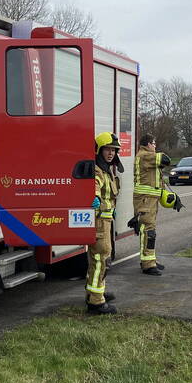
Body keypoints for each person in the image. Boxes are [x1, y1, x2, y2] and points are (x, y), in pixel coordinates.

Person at [87, 132, 122, 314]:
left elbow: (109, 194)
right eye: (108, 149)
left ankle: (95, 291)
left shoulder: (107, 169)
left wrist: (111, 208)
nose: (111, 153)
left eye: (114, 150)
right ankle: (96, 302)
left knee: (97, 260)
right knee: (101, 259)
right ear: (99, 150)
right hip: (100, 222)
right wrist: (96, 199)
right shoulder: (98, 170)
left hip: (106, 220)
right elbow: (95, 187)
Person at [132, 134, 172, 275]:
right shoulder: (145, 155)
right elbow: (166, 159)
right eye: (154, 143)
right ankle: (148, 264)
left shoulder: (146, 157)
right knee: (149, 231)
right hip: (145, 200)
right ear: (148, 144)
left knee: (150, 230)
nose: (155, 146)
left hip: (149, 199)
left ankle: (150, 259)